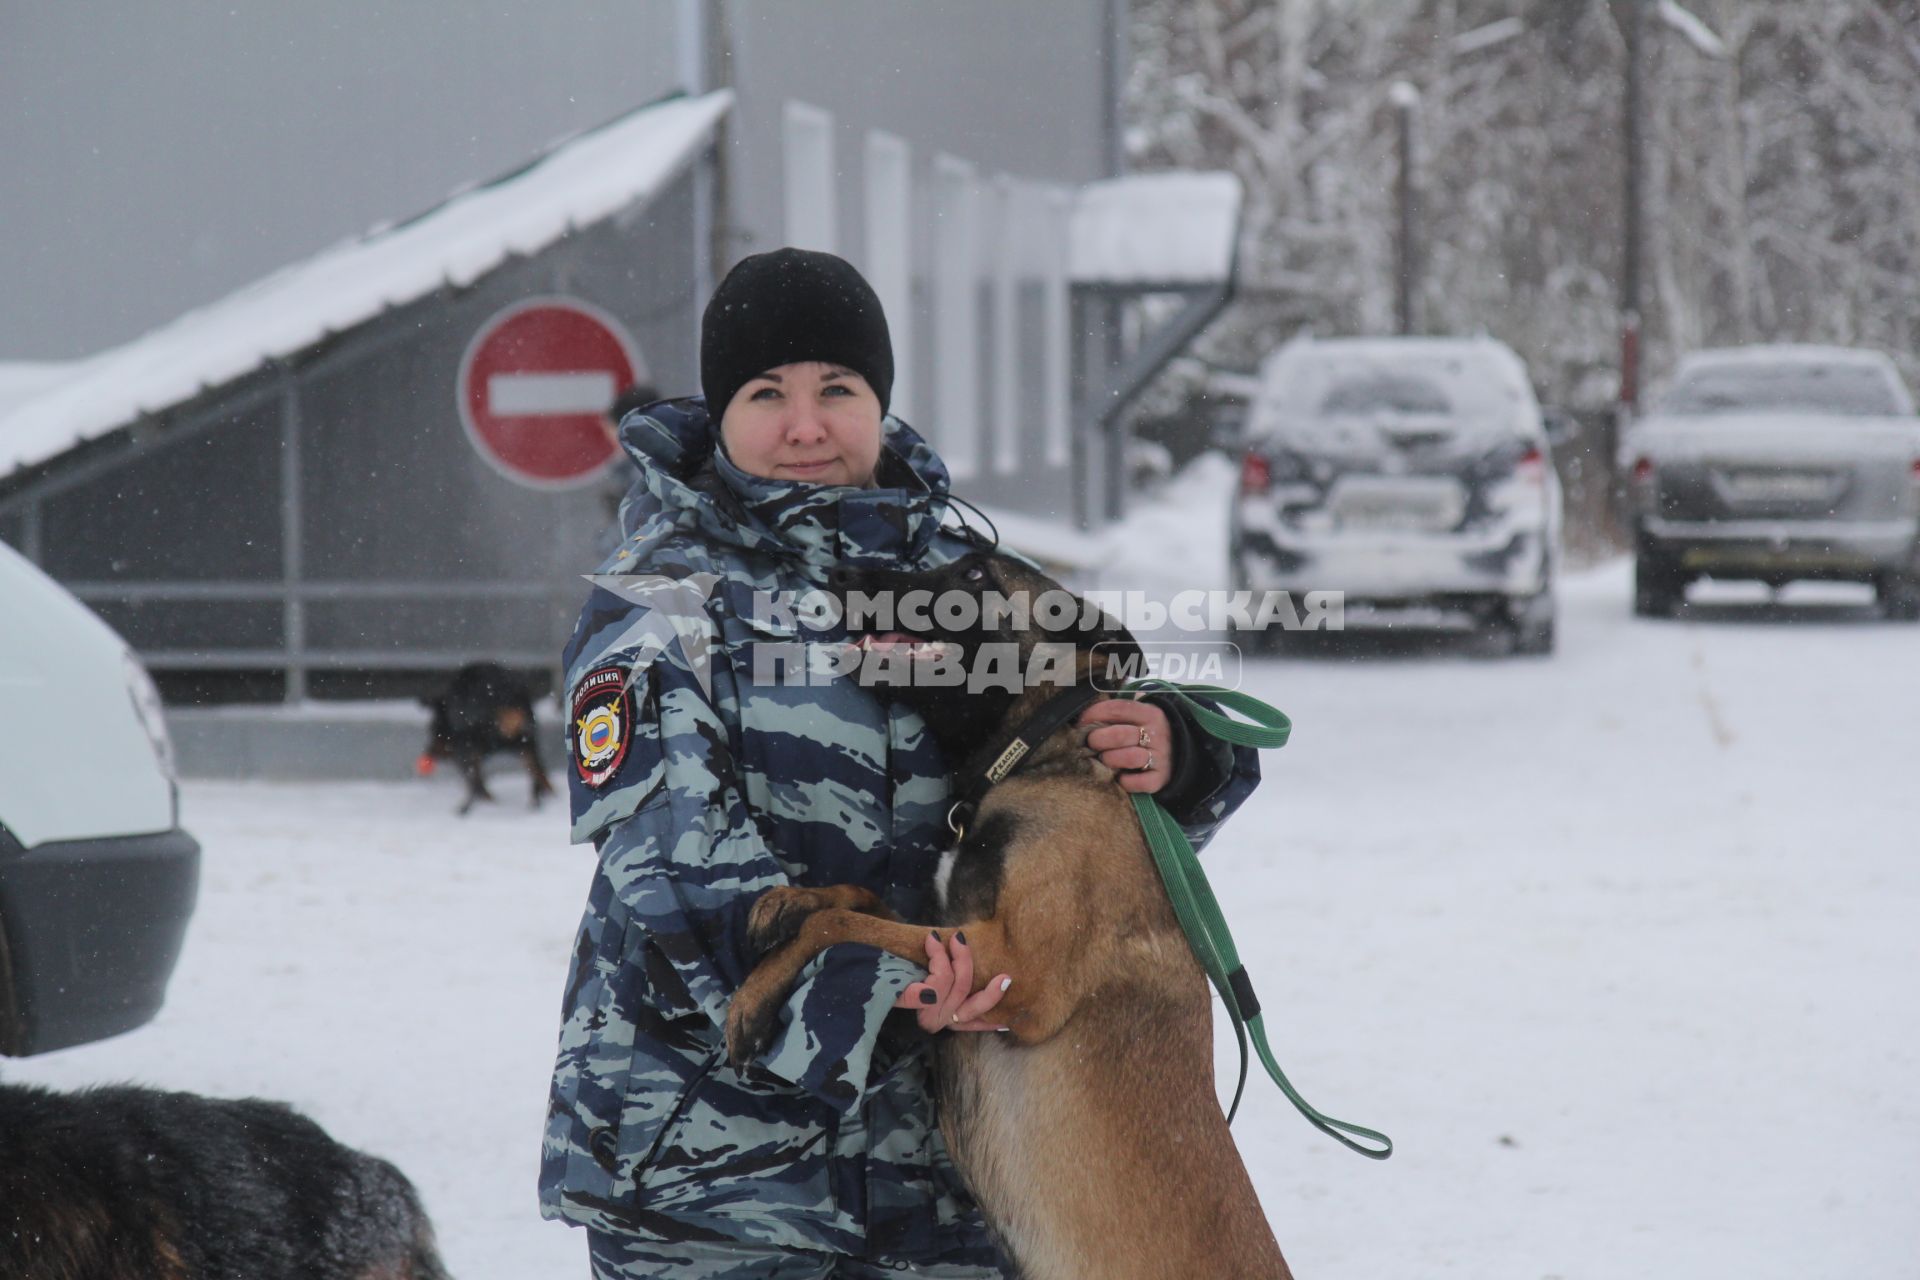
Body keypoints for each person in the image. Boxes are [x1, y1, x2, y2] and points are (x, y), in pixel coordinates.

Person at [539, 248, 1259, 1279]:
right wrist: (878, 987)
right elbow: (670, 859)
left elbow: (1095, 729)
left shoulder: (964, 574)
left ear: (879, 401)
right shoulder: (659, 603)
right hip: (718, 1186)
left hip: (952, 1190)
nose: (806, 424)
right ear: (718, 408)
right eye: (765, 393)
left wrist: (1179, 753)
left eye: (838, 389)